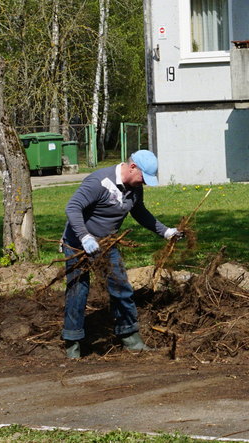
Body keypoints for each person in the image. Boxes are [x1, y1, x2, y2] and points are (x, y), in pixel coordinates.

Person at [61, 149, 182, 359]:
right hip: (78, 244)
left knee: (121, 288)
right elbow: (73, 207)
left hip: (106, 244)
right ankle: (73, 343)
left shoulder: (134, 189)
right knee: (78, 291)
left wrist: (165, 231)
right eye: (144, 178)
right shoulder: (99, 181)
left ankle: (131, 339)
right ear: (133, 167)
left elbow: (139, 211)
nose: (143, 183)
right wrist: (84, 237)